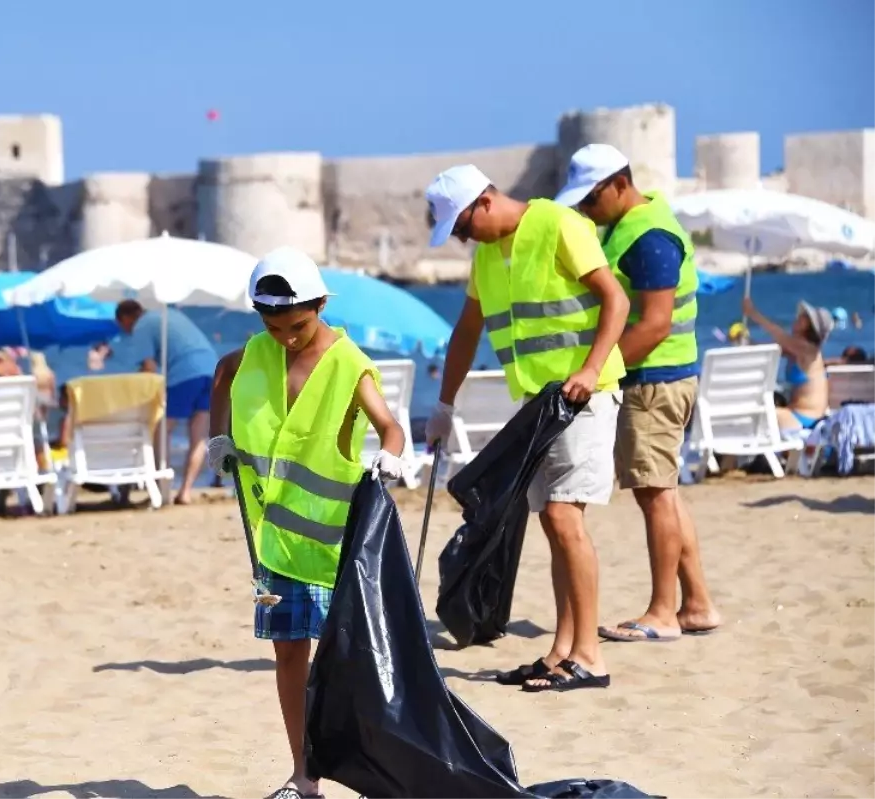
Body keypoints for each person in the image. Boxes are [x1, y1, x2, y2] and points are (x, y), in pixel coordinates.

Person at [205, 247, 406, 799]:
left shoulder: (347, 361)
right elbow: (222, 374)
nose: (286, 338)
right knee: (289, 653)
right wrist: (218, 437)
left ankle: (371, 770)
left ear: (319, 305)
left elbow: (390, 427)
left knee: (351, 659)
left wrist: (390, 457)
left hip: (337, 540)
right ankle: (304, 775)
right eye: (273, 327)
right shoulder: (255, 352)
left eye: (297, 325)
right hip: (275, 540)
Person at [423, 164, 628, 693]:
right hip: (539, 409)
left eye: (463, 227)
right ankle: (563, 650)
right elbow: (466, 333)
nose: (464, 239)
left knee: (564, 518)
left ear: (485, 202)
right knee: (553, 525)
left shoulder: (559, 223)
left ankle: (590, 656)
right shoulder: (487, 258)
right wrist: (444, 404)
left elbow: (616, 299)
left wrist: (588, 368)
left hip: (587, 395)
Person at [555, 144, 720, 642]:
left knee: (655, 493)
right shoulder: (630, 226)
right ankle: (696, 604)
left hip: (656, 379)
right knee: (662, 490)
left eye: (591, 197)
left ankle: (663, 611)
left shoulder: (648, 236)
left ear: (619, 184)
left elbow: (655, 323)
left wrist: (596, 366)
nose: (585, 208)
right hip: (659, 377)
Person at [115, 299, 218, 505]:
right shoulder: (168, 314)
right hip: (213, 369)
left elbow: (149, 367)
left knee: (161, 428)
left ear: (126, 318)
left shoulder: (142, 325)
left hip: (185, 373)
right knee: (198, 435)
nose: (126, 331)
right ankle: (186, 491)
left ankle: (163, 489)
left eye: (122, 326)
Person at [743, 297, 832, 431]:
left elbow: (778, 334)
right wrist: (746, 341)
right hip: (797, 413)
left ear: (807, 325)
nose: (797, 318)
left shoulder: (807, 349)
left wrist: (753, 313)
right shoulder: (797, 349)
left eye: (802, 317)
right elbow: (768, 349)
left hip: (805, 418)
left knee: (752, 415)